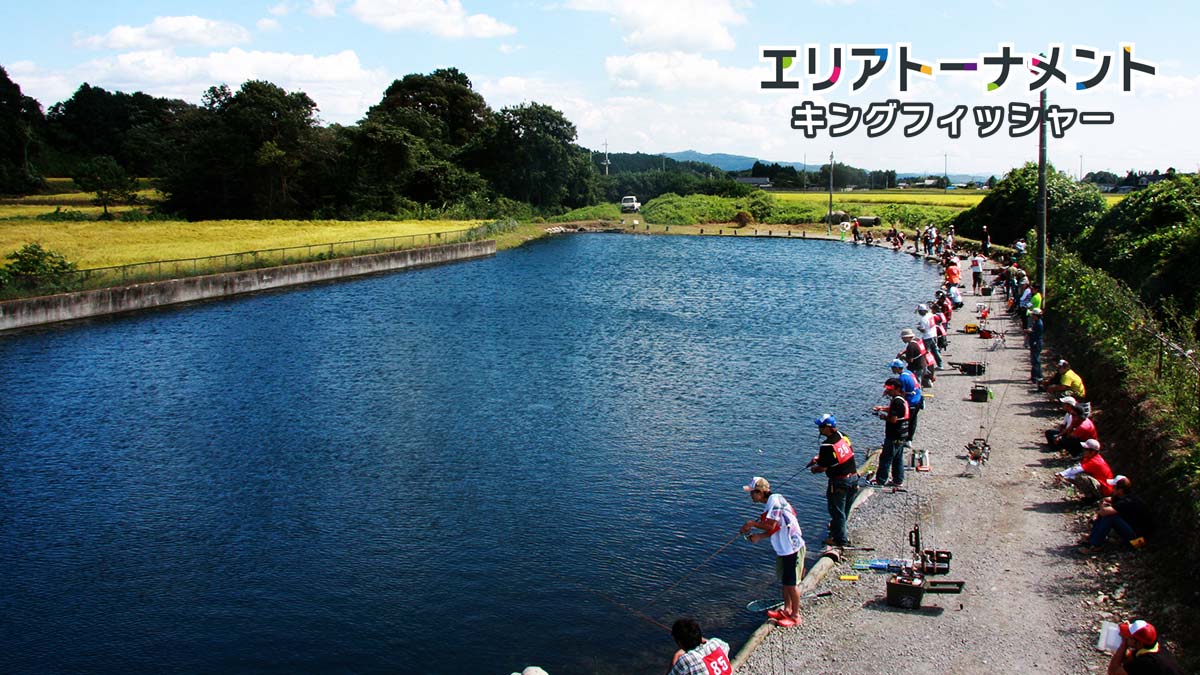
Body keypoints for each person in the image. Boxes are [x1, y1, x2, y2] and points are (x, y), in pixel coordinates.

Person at [740, 477, 806, 627]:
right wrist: (759, 536)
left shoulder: (774, 501)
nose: (751, 496)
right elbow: (775, 527)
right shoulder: (771, 503)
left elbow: (771, 525)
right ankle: (787, 609)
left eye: (753, 493)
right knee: (785, 581)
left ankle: (795, 616)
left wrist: (751, 524)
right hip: (784, 548)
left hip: (792, 547)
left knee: (792, 583)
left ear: (761, 492)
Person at [811, 414, 859, 548]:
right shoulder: (843, 436)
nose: (819, 429)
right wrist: (819, 458)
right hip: (854, 478)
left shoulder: (826, 445)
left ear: (828, 427)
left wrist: (815, 469)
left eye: (821, 427)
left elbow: (822, 467)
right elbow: (841, 454)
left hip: (839, 482)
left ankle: (840, 541)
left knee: (837, 511)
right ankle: (838, 531)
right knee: (845, 510)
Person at [1080, 476, 1154, 554]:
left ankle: (1095, 545)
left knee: (1110, 517)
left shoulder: (1127, 502)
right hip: (1136, 537)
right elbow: (1109, 500)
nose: (1112, 488)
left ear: (1120, 490)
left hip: (1139, 542)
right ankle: (1092, 537)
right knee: (1109, 514)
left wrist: (1102, 505)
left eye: (1114, 487)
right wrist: (1104, 500)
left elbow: (1103, 512)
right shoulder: (1126, 497)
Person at [1107, 619, 1186, 675]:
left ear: (1139, 643)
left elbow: (1113, 671)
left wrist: (1123, 644)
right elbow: (1127, 659)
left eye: (1129, 637)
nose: (1126, 637)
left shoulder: (1146, 662)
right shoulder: (1154, 646)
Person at [871, 377, 910, 487]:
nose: (887, 391)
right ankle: (898, 480)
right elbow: (896, 410)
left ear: (897, 389)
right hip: (903, 434)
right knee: (898, 458)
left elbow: (893, 419)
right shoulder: (901, 399)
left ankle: (880, 481)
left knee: (885, 458)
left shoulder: (896, 401)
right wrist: (882, 408)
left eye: (890, 389)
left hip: (894, 435)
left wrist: (883, 417)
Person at [666, 618, 732, 675]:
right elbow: (727, 647)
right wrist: (697, 637)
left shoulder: (687, 659)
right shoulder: (716, 643)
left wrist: (676, 656)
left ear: (679, 643)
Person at [890, 358, 924, 451]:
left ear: (897, 368)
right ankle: (909, 439)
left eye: (893, 368)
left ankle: (903, 440)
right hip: (918, 399)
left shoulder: (902, 378)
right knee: (913, 421)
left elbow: (902, 393)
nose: (892, 370)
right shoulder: (908, 372)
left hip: (912, 401)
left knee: (906, 421)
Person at [916, 304, 943, 369]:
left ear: (922, 311)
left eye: (919, 311)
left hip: (927, 337)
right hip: (934, 335)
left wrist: (918, 328)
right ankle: (940, 365)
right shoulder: (930, 314)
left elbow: (923, 330)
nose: (919, 313)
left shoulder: (923, 319)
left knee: (926, 352)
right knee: (935, 350)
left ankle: (927, 366)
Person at [1027, 307, 1044, 382]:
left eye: (1033, 315)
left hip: (1036, 343)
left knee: (1035, 361)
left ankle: (1035, 377)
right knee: (1037, 360)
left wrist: (1029, 332)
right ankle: (1039, 375)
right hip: (1035, 342)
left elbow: (1036, 334)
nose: (1032, 316)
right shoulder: (1036, 322)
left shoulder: (1039, 324)